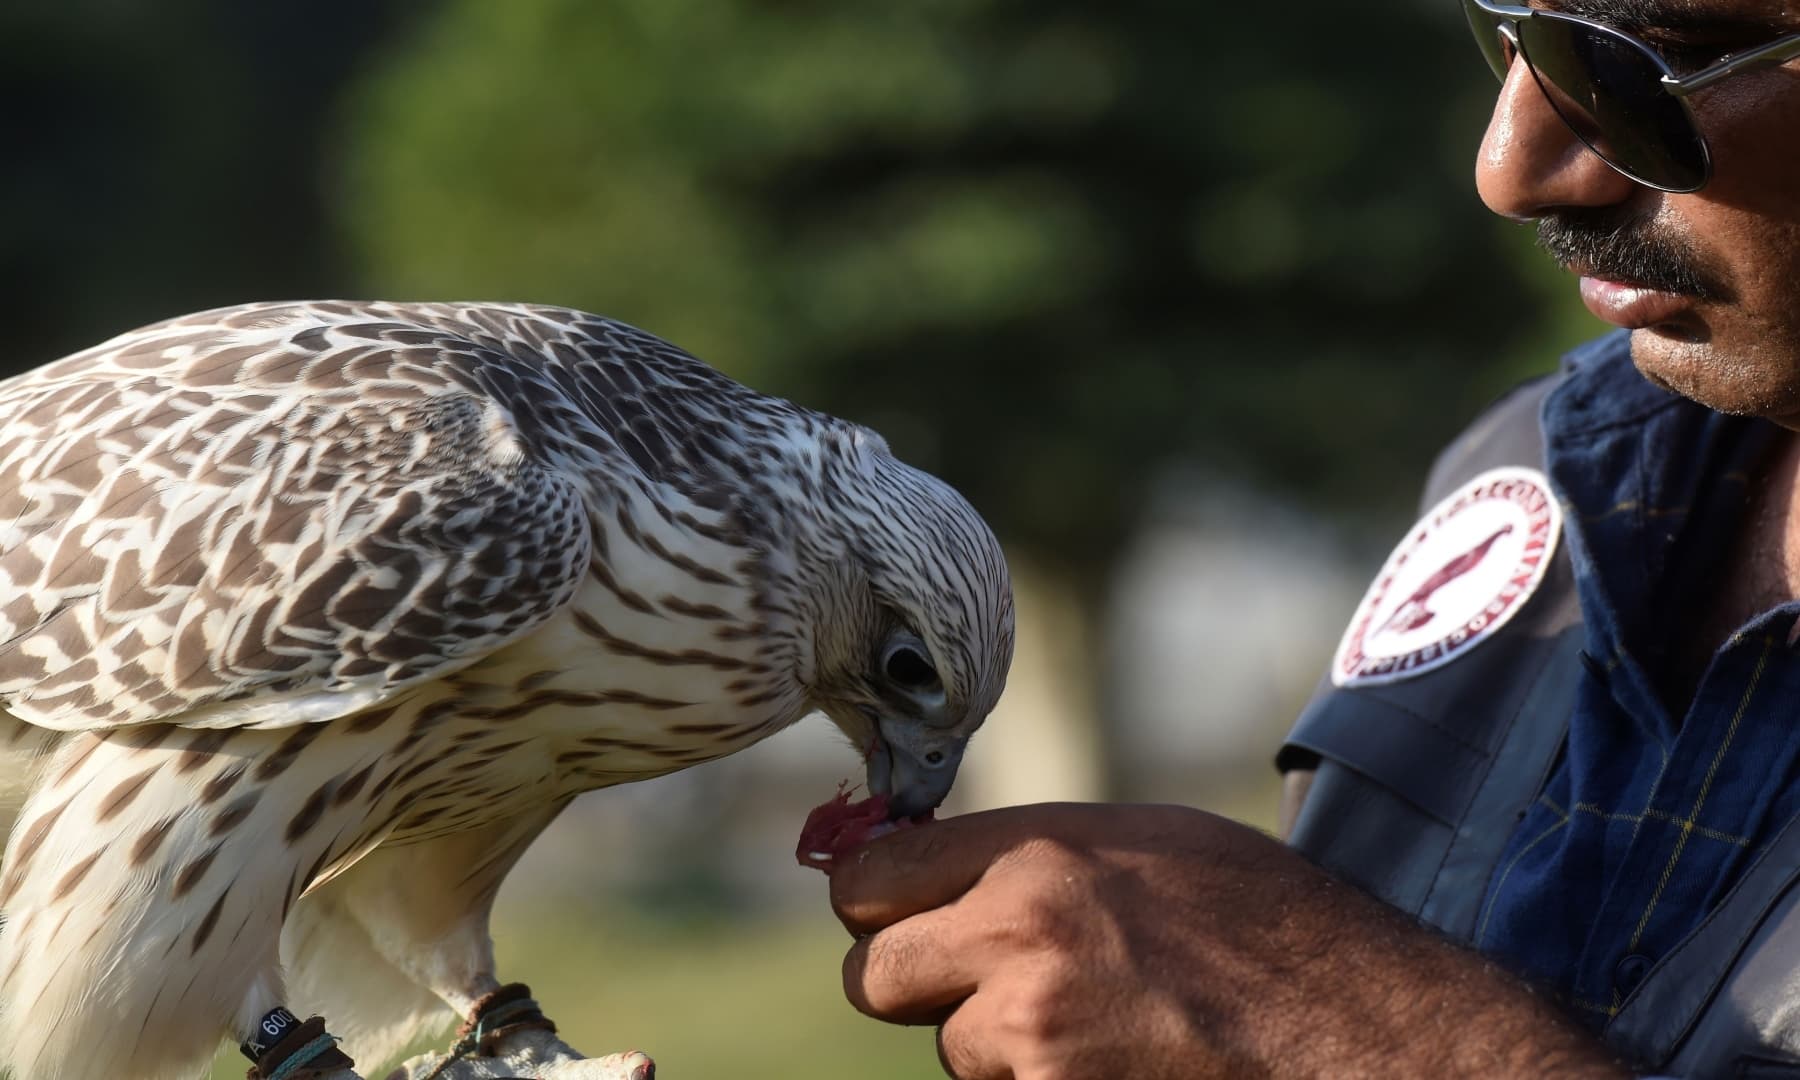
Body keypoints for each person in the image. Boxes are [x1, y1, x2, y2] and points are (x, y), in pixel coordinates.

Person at [826, 2, 1800, 1077]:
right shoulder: (1525, 473)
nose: (1511, 168)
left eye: (1656, 61)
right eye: (1512, 30)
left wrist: (1355, 1039)